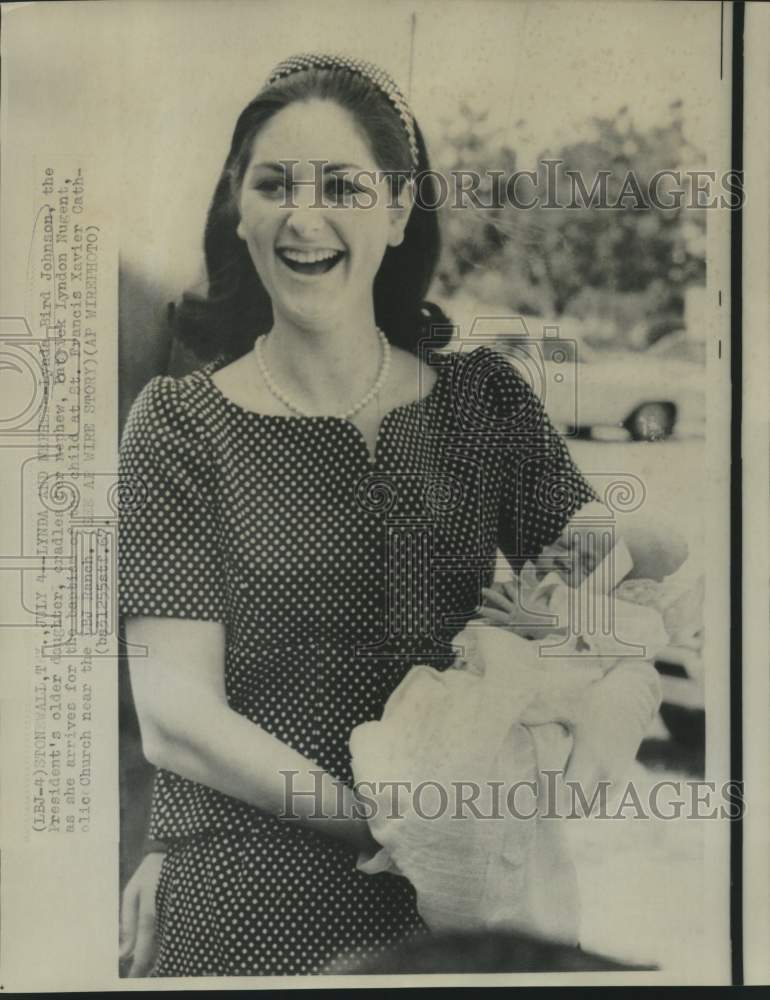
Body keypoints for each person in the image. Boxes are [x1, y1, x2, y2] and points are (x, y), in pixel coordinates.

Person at [118, 52, 685, 978]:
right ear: (240, 210)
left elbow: (616, 566)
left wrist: (569, 599)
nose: (305, 216)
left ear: (395, 209)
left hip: (461, 909)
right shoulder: (183, 425)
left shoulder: (484, 401)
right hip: (253, 900)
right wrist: (396, 823)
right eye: (274, 185)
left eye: (341, 184)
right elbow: (176, 714)